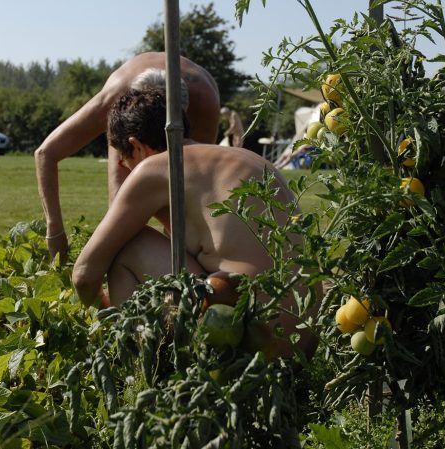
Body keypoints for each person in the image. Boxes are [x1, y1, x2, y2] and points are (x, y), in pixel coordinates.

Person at [72, 89, 322, 359]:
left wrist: (106, 310)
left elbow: (84, 275)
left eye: (125, 161)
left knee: (127, 244)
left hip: (250, 339)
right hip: (302, 340)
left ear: (136, 146)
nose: (128, 170)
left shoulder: (155, 167)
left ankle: (132, 361)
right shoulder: (244, 157)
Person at [34, 52, 221, 261]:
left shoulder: (203, 103)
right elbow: (45, 153)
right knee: (120, 213)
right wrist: (55, 232)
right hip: (127, 111)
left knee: (185, 205)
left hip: (190, 110)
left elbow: (195, 194)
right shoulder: (117, 102)